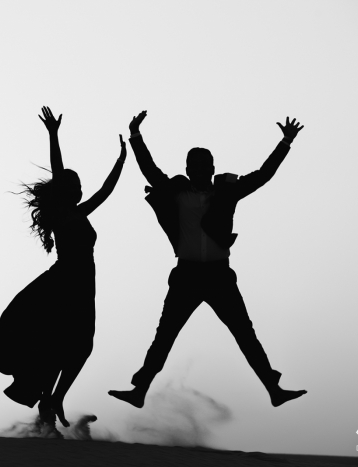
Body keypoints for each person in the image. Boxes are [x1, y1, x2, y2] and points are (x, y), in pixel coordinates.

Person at [109, 111, 307, 409]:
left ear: (213, 167)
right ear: (187, 169)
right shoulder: (177, 191)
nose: (200, 170)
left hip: (219, 276)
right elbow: (150, 170)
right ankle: (139, 392)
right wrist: (135, 135)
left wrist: (285, 141)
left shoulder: (227, 192)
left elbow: (263, 175)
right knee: (165, 335)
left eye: (205, 166)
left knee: (245, 334)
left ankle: (274, 390)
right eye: (195, 166)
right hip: (186, 275)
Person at [0, 106, 126, 428]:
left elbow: (106, 191)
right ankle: (49, 402)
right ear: (63, 191)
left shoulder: (82, 212)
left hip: (85, 284)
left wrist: (120, 162)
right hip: (63, 283)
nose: (79, 189)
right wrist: (53, 135)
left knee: (81, 346)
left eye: (79, 185)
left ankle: (54, 399)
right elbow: (59, 172)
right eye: (72, 186)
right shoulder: (62, 213)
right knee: (63, 343)